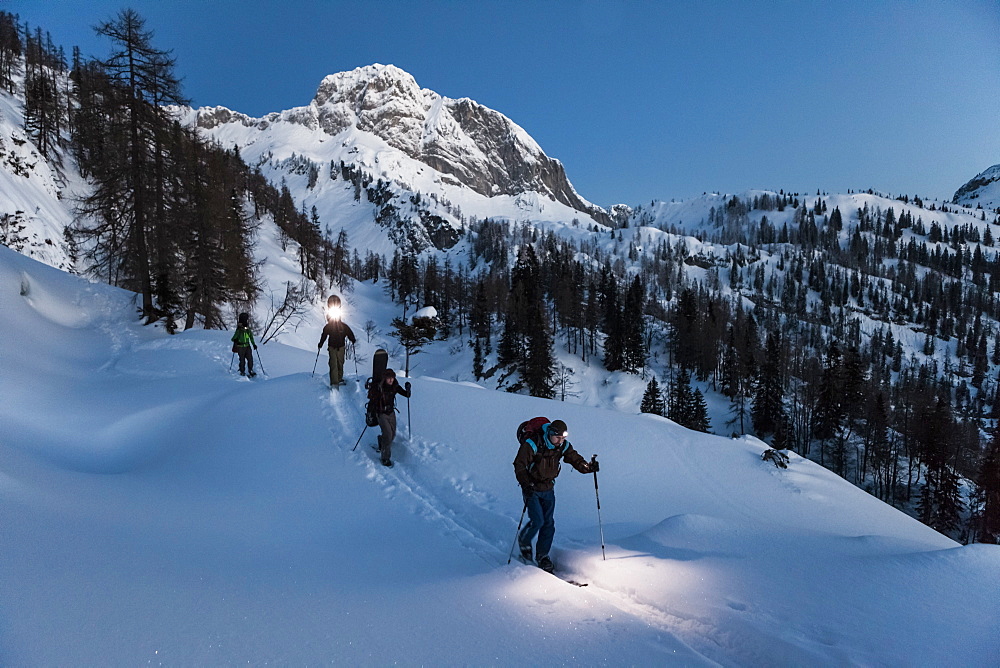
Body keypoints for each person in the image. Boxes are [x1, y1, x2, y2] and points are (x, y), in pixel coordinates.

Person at [513, 419, 597, 573]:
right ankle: (524, 541)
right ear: (550, 434)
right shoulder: (533, 444)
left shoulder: (562, 446)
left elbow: (574, 458)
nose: (561, 441)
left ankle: (542, 556)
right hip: (531, 488)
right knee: (537, 520)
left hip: (548, 488)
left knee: (549, 524)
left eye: (563, 438)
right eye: (558, 437)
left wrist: (588, 467)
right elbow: (519, 464)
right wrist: (525, 483)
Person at [370, 368, 410, 467]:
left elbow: (406, 395)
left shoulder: (395, 386)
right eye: (389, 378)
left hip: (391, 412)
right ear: (385, 378)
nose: (391, 380)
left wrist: (408, 389)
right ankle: (385, 458)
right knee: (388, 435)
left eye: (392, 378)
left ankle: (381, 441)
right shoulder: (380, 387)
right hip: (381, 413)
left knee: (392, 434)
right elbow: (371, 398)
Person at [317, 295, 357, 387]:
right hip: (332, 347)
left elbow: (349, 333)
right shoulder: (328, 327)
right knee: (333, 364)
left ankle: (339, 379)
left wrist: (352, 339)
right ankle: (334, 382)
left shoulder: (343, 326)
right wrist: (320, 344)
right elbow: (324, 335)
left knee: (340, 363)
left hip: (341, 347)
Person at [231, 312, 258, 377]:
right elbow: (233, 338)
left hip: (247, 346)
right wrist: (236, 340)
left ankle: (250, 370)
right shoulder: (239, 330)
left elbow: (251, 337)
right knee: (242, 360)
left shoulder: (247, 329)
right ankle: (242, 371)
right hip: (240, 347)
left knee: (250, 359)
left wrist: (254, 344)